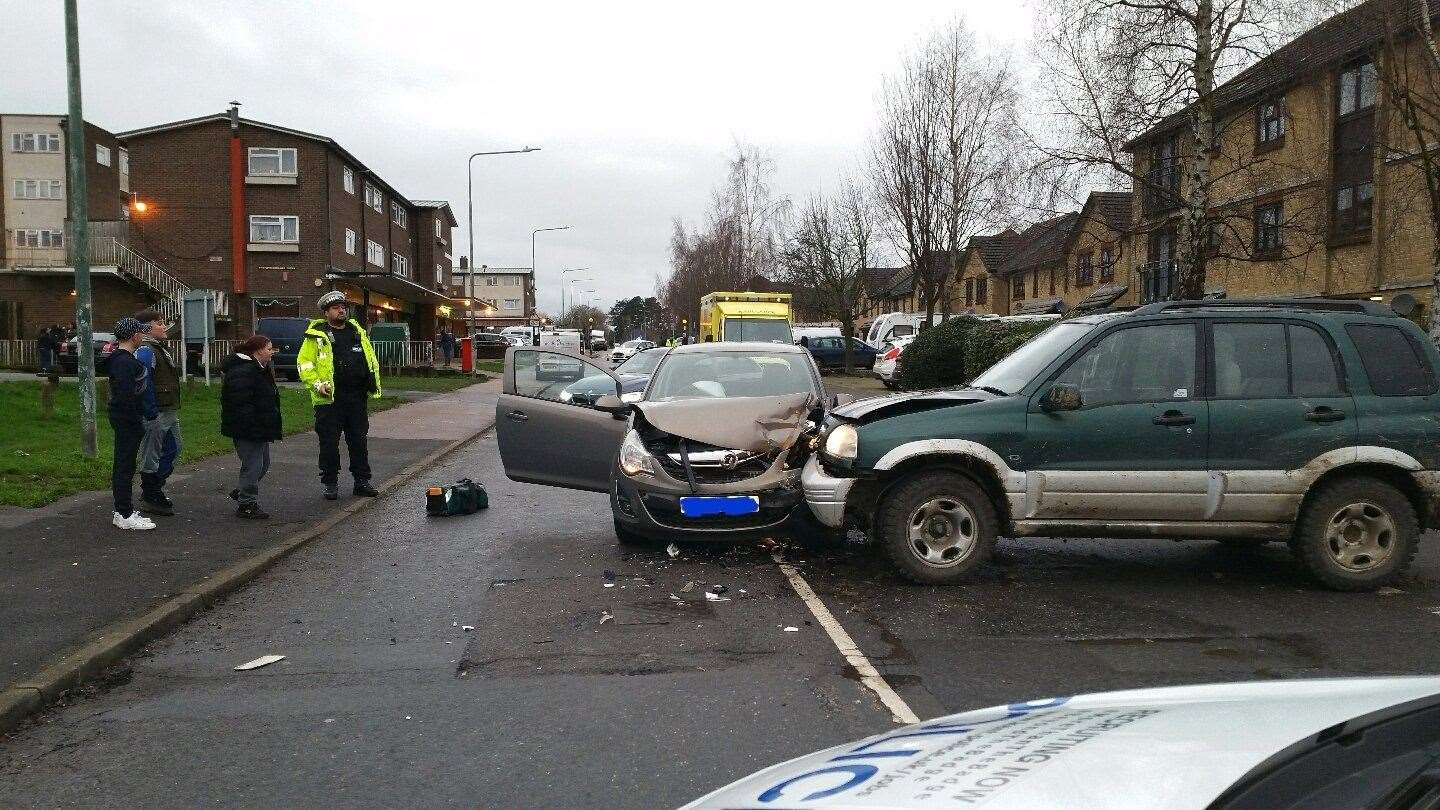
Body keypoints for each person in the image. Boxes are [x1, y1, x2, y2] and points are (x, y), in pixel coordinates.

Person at [297, 291, 382, 500]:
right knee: (329, 444)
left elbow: (369, 360)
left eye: (343, 306)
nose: (341, 310)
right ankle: (330, 483)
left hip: (356, 398)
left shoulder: (357, 332)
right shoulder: (316, 336)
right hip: (329, 401)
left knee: (358, 441)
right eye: (336, 307)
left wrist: (371, 381)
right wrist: (318, 385)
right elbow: (305, 365)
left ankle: (362, 481)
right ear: (326, 312)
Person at [221, 335, 282, 519]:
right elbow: (240, 402)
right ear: (258, 351)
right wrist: (253, 424)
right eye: (269, 349)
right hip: (248, 428)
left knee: (263, 464)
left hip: (259, 426)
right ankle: (247, 503)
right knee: (253, 466)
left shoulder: (258, 369)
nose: (272, 353)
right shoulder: (244, 371)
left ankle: (242, 492)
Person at [107, 317, 155, 530]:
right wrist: (136, 417)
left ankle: (123, 511)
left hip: (126, 418)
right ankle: (124, 513)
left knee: (125, 464)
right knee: (125, 466)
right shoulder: (124, 362)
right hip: (127, 420)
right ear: (134, 336)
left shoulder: (120, 359)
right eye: (141, 333)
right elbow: (126, 395)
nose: (143, 336)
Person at [133, 311, 183, 516]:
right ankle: (150, 492)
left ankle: (156, 486)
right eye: (159, 323)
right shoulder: (146, 350)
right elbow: (143, 382)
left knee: (174, 448)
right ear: (145, 329)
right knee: (151, 453)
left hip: (168, 409)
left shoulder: (160, 348)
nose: (164, 326)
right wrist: (150, 411)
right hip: (157, 412)